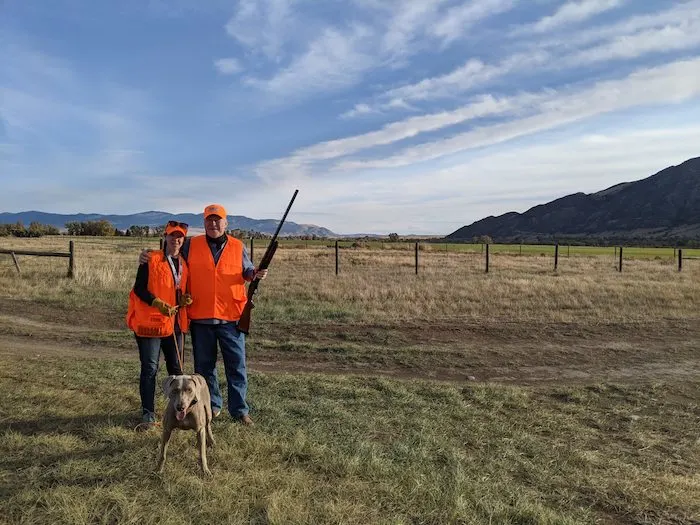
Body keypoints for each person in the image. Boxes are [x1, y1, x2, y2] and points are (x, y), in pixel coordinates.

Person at [139, 204, 267, 426]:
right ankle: (212, 406)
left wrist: (255, 274)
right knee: (205, 369)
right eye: (209, 220)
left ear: (226, 223)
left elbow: (247, 272)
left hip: (231, 317)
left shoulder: (238, 246)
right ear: (204, 222)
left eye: (218, 220)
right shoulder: (191, 244)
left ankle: (239, 410)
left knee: (236, 367)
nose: (213, 224)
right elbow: (172, 254)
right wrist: (148, 256)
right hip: (201, 318)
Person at [127, 221, 191, 430]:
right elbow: (139, 289)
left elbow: (177, 288)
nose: (176, 240)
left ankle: (178, 411)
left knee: (177, 370)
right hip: (151, 326)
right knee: (150, 369)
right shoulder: (151, 259)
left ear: (184, 239)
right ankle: (148, 413)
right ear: (165, 237)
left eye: (180, 236)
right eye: (172, 236)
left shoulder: (184, 264)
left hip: (174, 325)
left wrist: (183, 300)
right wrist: (156, 302)